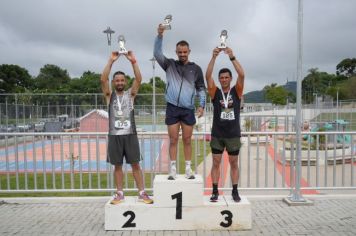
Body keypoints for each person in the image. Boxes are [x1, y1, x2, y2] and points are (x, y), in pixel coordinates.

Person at [154, 24, 206, 180]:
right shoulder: (169, 65)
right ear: (176, 52)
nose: (182, 54)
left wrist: (201, 105)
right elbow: (157, 53)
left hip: (188, 109)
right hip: (172, 108)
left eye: (185, 52)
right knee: (174, 139)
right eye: (180, 52)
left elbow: (201, 89)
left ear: (189, 52)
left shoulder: (196, 69)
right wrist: (160, 35)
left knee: (187, 139)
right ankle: (173, 169)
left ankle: (189, 169)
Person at [101, 50, 153, 204]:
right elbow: (103, 80)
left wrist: (133, 61)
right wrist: (111, 61)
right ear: (114, 83)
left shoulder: (130, 95)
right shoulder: (109, 97)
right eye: (117, 80)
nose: (119, 83)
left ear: (125, 81)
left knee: (135, 165)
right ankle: (119, 193)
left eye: (122, 80)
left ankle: (142, 193)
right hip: (114, 136)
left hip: (130, 135)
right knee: (117, 166)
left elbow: (139, 78)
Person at [205, 47, 245, 202]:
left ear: (230, 78)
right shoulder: (215, 92)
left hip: (233, 134)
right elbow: (207, 75)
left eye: (226, 77)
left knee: (234, 163)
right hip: (218, 134)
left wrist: (232, 57)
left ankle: (235, 191)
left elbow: (242, 74)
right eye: (221, 78)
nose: (223, 80)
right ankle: (215, 191)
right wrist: (213, 57)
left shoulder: (237, 91)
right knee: (216, 162)